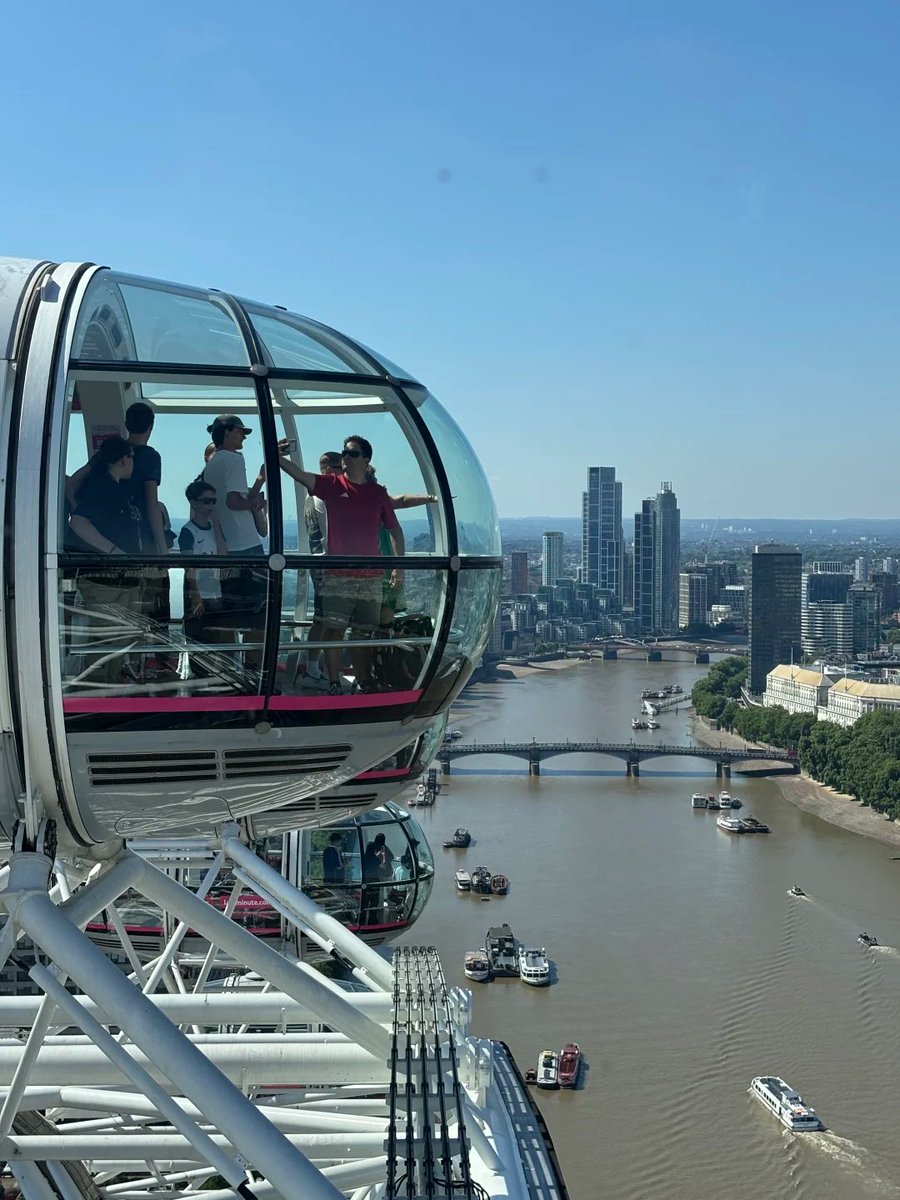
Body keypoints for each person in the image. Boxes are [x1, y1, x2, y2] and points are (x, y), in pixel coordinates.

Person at [277, 436, 405, 694]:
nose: (345, 457)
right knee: (334, 631)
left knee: (363, 632)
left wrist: (397, 566)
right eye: (344, 452)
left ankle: (362, 679)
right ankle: (334, 682)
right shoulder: (331, 485)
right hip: (338, 576)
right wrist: (276, 455)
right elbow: (300, 475)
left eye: (352, 453)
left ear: (365, 459)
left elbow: (395, 530)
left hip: (370, 577)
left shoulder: (377, 493)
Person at [67, 437, 143, 685]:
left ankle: (110, 688)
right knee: (105, 638)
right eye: (131, 457)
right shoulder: (103, 487)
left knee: (120, 638)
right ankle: (97, 690)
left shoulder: (116, 488)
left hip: (123, 578)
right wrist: (113, 551)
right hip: (104, 579)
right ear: (124, 459)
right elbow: (78, 522)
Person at [202, 414, 267, 676]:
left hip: (225, 548)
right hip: (247, 547)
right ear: (228, 432)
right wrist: (254, 503)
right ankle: (253, 671)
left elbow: (224, 502)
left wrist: (257, 484)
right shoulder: (234, 459)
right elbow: (233, 501)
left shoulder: (212, 463)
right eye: (241, 432)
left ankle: (227, 672)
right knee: (258, 616)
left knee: (229, 615)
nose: (243, 437)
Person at [178, 480, 228, 649]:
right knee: (197, 642)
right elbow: (189, 566)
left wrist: (217, 526)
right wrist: (196, 596)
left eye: (214, 501)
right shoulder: (188, 531)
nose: (211, 505)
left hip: (215, 593)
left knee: (216, 641)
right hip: (198, 594)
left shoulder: (215, 529)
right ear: (194, 503)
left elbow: (223, 557)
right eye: (207, 501)